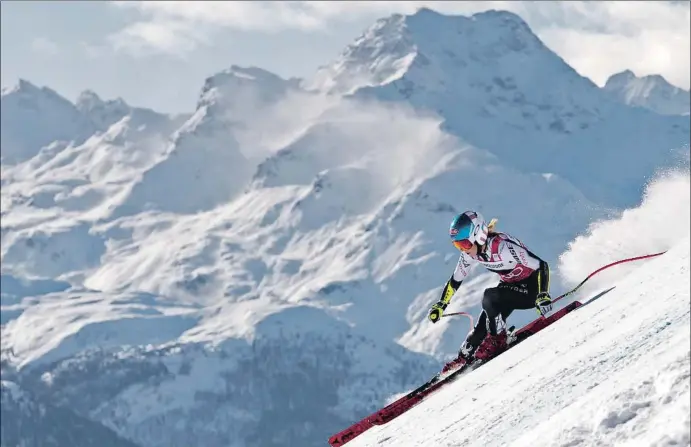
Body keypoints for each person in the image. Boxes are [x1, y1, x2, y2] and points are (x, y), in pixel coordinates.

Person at [428, 210, 553, 372]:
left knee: (490, 296)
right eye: (457, 245)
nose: (463, 250)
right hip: (509, 290)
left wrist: (543, 294)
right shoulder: (470, 253)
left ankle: (498, 339)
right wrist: (441, 304)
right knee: (477, 333)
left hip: (531, 291)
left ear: (479, 236)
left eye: (464, 244)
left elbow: (541, 265)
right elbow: (455, 280)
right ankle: (462, 360)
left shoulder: (503, 247)